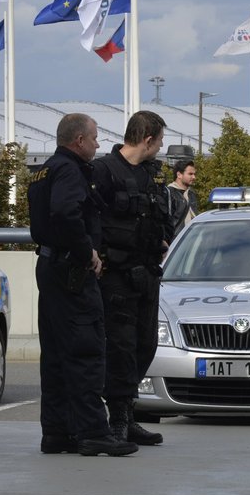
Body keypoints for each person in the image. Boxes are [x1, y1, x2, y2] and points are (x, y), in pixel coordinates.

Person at [27, 114, 138, 457]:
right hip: (70, 270)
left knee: (57, 355)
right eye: (94, 138)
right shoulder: (70, 170)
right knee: (85, 349)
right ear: (78, 141)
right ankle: (93, 432)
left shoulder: (45, 170)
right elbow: (65, 213)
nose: (98, 144)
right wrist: (86, 250)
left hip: (50, 266)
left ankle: (58, 432)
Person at [92, 110, 172, 447]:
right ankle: (118, 421)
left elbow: (160, 218)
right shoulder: (103, 171)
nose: (161, 147)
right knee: (121, 349)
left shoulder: (149, 175)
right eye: (160, 140)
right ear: (148, 138)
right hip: (117, 277)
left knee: (145, 345)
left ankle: (129, 411)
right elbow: (90, 219)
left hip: (146, 274)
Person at [167, 159, 199, 237]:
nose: (194, 177)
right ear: (179, 175)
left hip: (191, 239)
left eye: (194, 174)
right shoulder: (169, 193)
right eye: (190, 174)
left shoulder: (191, 194)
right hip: (176, 241)